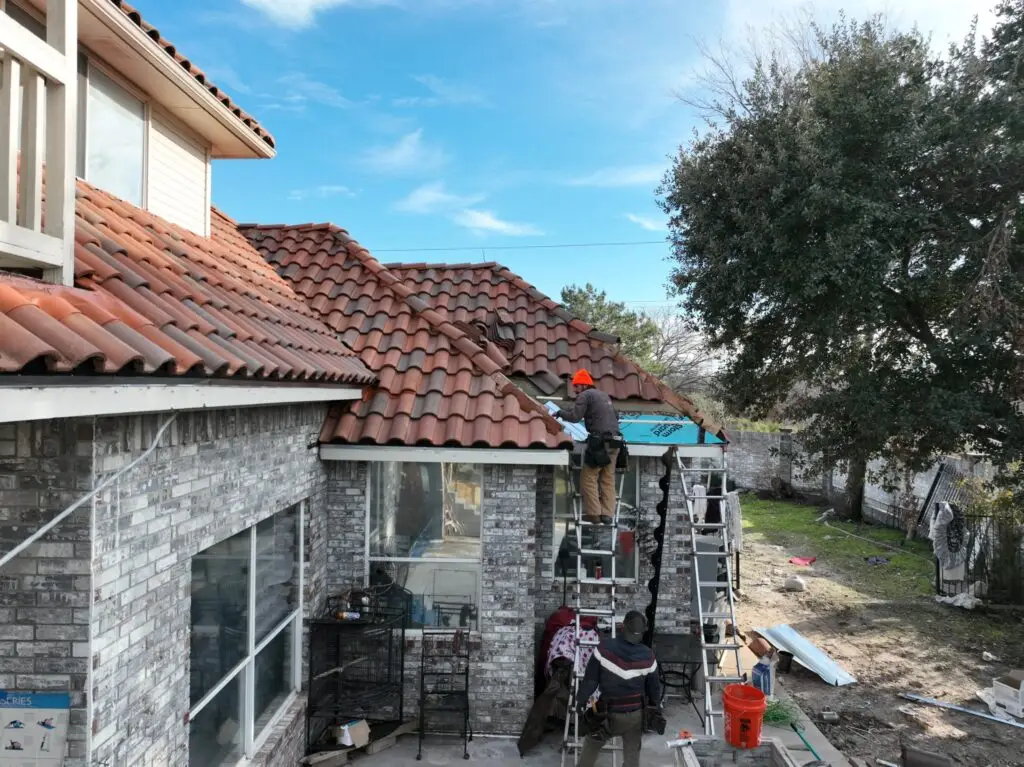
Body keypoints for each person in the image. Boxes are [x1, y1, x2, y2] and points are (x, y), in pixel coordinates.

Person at [574, 611, 662, 767]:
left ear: (622, 627)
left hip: (607, 714)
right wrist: (655, 708)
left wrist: (580, 702)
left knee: (591, 744)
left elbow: (590, 681)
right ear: (642, 633)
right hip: (635, 716)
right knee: (632, 756)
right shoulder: (649, 656)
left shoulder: (603, 650)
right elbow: (654, 690)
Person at [556, 370, 622, 523]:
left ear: (584, 385)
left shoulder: (584, 396)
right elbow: (616, 417)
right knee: (608, 477)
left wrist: (560, 413)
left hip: (599, 443)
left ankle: (594, 514)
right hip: (615, 441)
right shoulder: (604, 395)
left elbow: (574, 417)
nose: (574, 389)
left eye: (576, 386)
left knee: (588, 477)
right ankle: (607, 514)